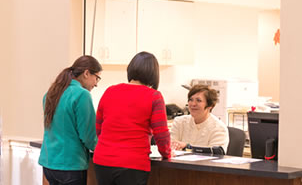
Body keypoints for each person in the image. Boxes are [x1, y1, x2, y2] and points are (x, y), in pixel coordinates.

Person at [93, 51, 171, 185]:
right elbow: (161, 134)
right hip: (132, 164)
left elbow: (99, 128)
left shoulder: (110, 91)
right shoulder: (154, 96)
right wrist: (166, 154)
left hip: (103, 161)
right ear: (154, 74)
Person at [39, 55, 102, 185]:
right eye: (97, 78)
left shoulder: (51, 93)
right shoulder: (82, 95)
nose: (96, 83)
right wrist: (102, 149)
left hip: (49, 165)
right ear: (86, 73)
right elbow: (88, 136)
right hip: (70, 166)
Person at [170, 84, 229, 154]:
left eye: (198, 100)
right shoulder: (179, 122)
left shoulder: (219, 128)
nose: (193, 104)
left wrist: (187, 147)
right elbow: (171, 147)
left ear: (210, 105)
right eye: (191, 100)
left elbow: (215, 155)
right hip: (178, 164)